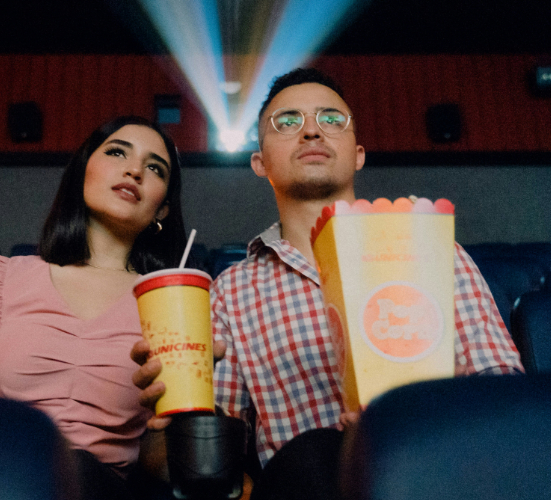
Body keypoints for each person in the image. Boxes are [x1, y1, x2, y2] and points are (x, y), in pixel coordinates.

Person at [131, 68, 524, 499]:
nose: (312, 132)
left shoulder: (432, 249)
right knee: (318, 452)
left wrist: (411, 421)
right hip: (308, 479)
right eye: (288, 122)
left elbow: (502, 389)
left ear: (357, 154)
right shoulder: (232, 291)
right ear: (259, 163)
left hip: (437, 466)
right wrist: (172, 411)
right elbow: (211, 454)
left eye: (331, 119)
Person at [0, 115, 187, 500]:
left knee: (74, 467)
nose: (134, 170)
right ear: (83, 172)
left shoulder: (168, 304)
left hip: (103, 488)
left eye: (154, 168)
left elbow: (162, 467)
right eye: (117, 153)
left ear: (162, 209)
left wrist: (175, 422)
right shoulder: (1, 280)